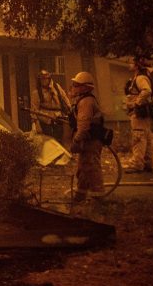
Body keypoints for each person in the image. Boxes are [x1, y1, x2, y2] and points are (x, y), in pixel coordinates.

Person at [68, 71, 106, 202]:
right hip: (88, 140)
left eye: (76, 85)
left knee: (92, 168)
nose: (73, 87)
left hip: (91, 140)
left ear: (84, 87)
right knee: (83, 168)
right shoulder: (83, 100)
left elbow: (83, 126)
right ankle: (80, 195)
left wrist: (76, 140)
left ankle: (99, 198)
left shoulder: (86, 102)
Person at [123, 56, 153, 173]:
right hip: (143, 112)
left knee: (138, 137)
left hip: (138, 112)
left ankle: (137, 164)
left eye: (131, 63)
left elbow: (147, 91)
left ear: (137, 65)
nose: (129, 64)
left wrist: (137, 103)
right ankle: (148, 163)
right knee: (146, 136)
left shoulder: (140, 78)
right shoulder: (142, 76)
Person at [30, 70, 71, 143]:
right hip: (45, 119)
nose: (44, 81)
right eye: (42, 79)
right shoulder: (36, 93)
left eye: (46, 78)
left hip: (58, 117)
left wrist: (70, 109)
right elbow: (34, 110)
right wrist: (36, 124)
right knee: (48, 140)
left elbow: (64, 98)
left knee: (59, 140)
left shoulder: (57, 87)